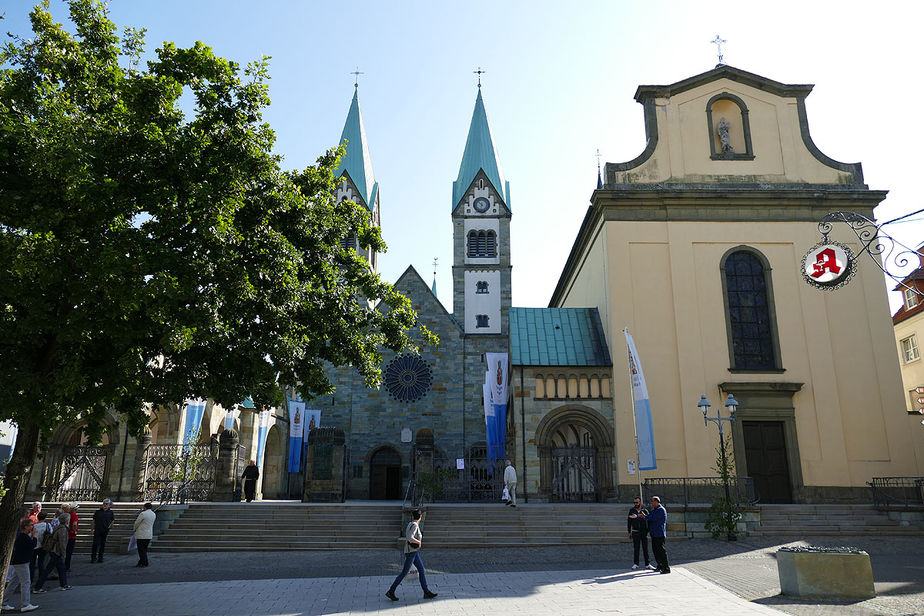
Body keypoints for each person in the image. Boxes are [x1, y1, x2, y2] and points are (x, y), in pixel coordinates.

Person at [385, 510, 437, 602]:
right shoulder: (415, 526)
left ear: (413, 516)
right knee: (404, 573)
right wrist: (419, 542)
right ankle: (391, 591)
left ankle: (426, 592)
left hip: (413, 552)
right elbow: (410, 537)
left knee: (421, 570)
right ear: (420, 517)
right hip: (411, 552)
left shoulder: (410, 524)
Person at [4, 518, 39, 612]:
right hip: (22, 562)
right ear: (26, 527)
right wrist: (34, 536)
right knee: (26, 582)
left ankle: (3, 602)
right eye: (31, 525)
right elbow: (32, 545)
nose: (32, 527)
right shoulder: (23, 537)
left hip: (20, 561)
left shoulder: (22, 536)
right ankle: (25, 604)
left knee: (13, 582)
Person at [33, 513, 71, 592]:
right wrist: (64, 553)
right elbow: (62, 542)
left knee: (61, 568)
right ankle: (37, 587)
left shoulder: (58, 527)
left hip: (54, 551)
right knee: (48, 570)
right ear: (67, 520)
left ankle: (64, 584)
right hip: (56, 551)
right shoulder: (63, 529)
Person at [641, 495, 670, 574]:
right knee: (655, 551)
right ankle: (659, 565)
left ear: (657, 502)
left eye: (652, 501)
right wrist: (641, 516)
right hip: (654, 533)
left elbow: (652, 518)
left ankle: (666, 568)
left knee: (661, 551)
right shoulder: (655, 509)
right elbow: (649, 516)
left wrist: (645, 516)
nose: (651, 503)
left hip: (659, 533)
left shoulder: (661, 510)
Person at [627, 496, 654, 570]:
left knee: (645, 548)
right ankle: (636, 564)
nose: (635, 504)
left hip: (643, 531)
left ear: (640, 502)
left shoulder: (645, 511)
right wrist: (629, 531)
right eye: (634, 502)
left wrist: (648, 530)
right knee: (636, 548)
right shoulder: (632, 510)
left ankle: (647, 564)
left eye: (637, 502)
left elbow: (649, 520)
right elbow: (629, 521)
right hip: (635, 531)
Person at [91, 498, 115, 563]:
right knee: (95, 544)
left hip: (105, 530)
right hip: (97, 529)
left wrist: (110, 526)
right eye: (104, 504)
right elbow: (93, 520)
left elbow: (112, 520)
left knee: (102, 544)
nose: (105, 505)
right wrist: (92, 529)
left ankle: (100, 557)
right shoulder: (98, 512)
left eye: (106, 504)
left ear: (109, 505)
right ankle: (93, 557)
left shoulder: (110, 512)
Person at [133, 502, 156, 567]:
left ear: (145, 507)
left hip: (141, 534)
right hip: (149, 534)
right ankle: (141, 561)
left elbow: (137, 523)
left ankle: (144, 562)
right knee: (144, 548)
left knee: (141, 549)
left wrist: (134, 529)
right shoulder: (153, 514)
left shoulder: (143, 514)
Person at [31, 512, 51, 582]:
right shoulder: (47, 525)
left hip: (35, 546)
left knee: (32, 563)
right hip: (43, 545)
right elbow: (51, 533)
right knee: (41, 562)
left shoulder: (34, 526)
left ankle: (31, 578)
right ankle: (41, 578)